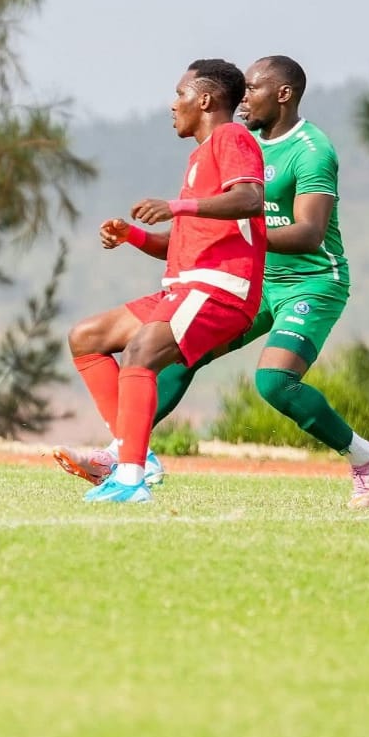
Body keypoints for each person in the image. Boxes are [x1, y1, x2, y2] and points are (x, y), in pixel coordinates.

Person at [50, 56, 369, 508]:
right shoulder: (235, 142)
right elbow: (194, 232)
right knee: (170, 356)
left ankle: (366, 457)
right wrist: (138, 236)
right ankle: (127, 454)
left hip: (310, 280)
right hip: (253, 277)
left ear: (284, 94)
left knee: (274, 382)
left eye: (253, 88)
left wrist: (229, 232)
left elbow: (309, 233)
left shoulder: (311, 150)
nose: (244, 97)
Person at [57, 58, 267, 502]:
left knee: (141, 352)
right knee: (87, 337)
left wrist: (178, 206)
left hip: (220, 288)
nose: (173, 104)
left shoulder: (232, 136)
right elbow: (179, 241)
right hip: (185, 287)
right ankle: (133, 453)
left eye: (180, 93)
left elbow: (250, 199)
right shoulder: (200, 156)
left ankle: (130, 478)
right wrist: (132, 236)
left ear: (205, 99)